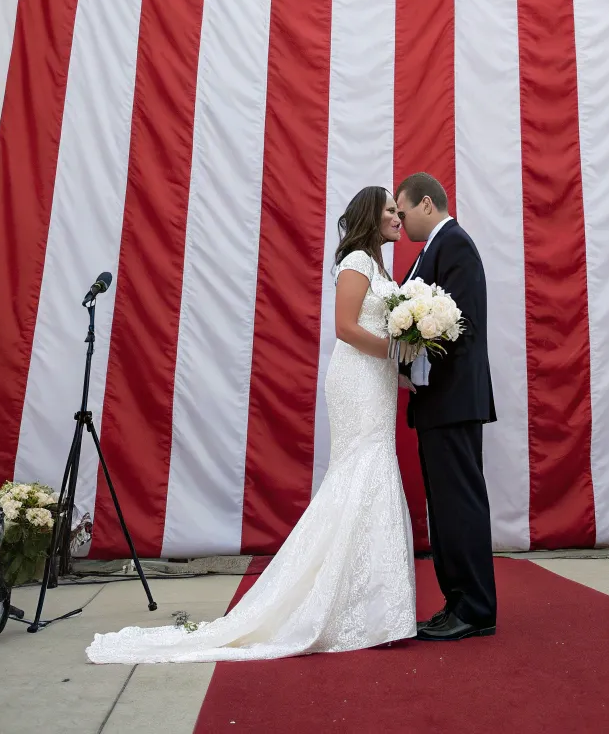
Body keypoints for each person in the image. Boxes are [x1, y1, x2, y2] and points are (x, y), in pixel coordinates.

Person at [86, 187, 416, 663]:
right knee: (362, 471)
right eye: (389, 209)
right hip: (357, 380)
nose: (397, 216)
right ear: (370, 214)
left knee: (370, 473)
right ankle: (354, 607)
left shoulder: (380, 266)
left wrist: (402, 365)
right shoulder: (357, 264)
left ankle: (369, 606)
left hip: (377, 381)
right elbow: (345, 327)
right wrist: (393, 352)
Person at [395, 172, 497, 641]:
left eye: (403, 210)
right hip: (438, 402)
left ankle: (475, 608)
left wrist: (418, 333)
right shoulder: (430, 250)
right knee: (445, 510)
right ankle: (457, 601)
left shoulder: (454, 245)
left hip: (454, 400)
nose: (400, 220)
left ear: (428, 205)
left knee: (460, 506)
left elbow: (465, 325)